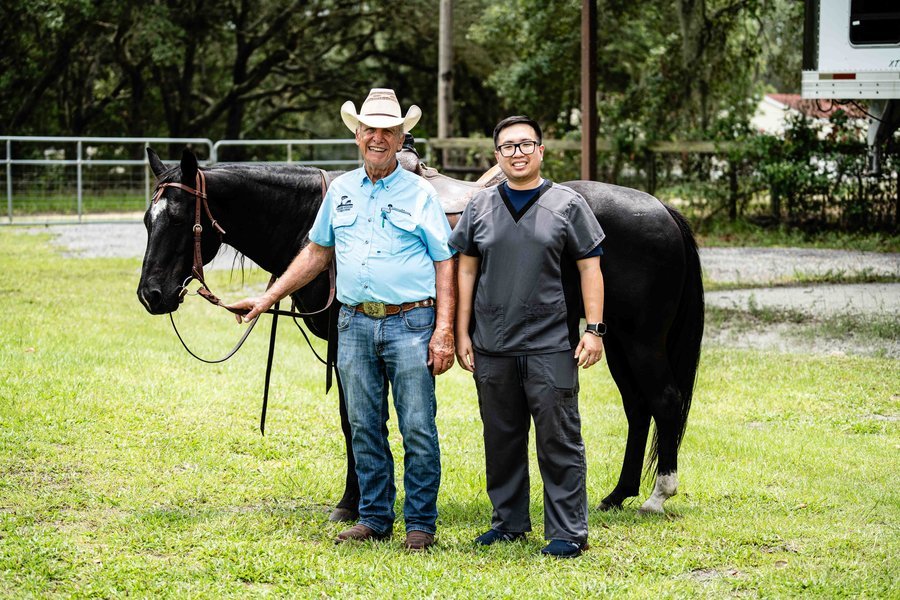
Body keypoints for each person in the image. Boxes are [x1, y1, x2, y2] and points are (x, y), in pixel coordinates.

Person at [229, 88, 456, 551]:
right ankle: (374, 517)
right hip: (353, 324)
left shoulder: (421, 194)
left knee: (416, 424)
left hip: (411, 323)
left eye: (388, 131)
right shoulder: (341, 192)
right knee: (363, 423)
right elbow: (316, 251)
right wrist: (268, 297)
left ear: (400, 137)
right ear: (357, 135)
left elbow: (444, 262)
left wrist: (445, 330)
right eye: (369, 129)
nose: (378, 137)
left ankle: (420, 524)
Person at [450, 115, 605, 559]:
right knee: (501, 438)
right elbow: (466, 269)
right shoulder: (480, 207)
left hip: (549, 344)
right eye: (508, 147)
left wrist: (593, 330)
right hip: (492, 345)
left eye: (525, 144)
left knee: (558, 438)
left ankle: (568, 531)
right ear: (497, 156)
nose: (517, 153)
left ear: (541, 151)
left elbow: (590, 268)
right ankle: (509, 523)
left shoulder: (568, 204)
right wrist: (462, 331)